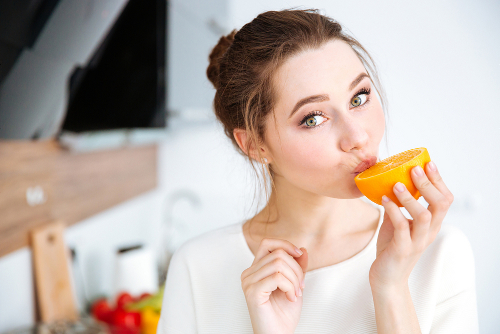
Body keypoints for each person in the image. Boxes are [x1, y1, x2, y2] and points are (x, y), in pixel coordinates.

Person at [157, 8, 479, 333]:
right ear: (255, 145)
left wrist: (392, 290)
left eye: (359, 97)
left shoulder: (438, 253)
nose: (357, 137)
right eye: (313, 118)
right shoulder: (197, 268)